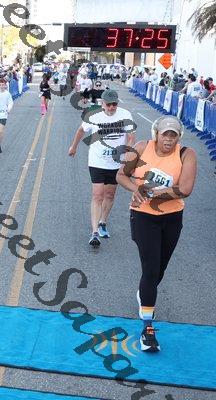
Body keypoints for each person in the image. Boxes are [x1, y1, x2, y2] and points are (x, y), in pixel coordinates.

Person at [116, 116, 196, 352]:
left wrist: (152, 192)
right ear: (156, 134)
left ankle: (144, 294)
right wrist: (136, 189)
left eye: (173, 135)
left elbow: (185, 189)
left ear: (179, 137)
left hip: (172, 218)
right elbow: (121, 175)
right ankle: (147, 328)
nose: (169, 140)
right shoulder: (142, 148)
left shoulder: (186, 154)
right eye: (165, 135)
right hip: (143, 216)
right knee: (150, 270)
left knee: (159, 269)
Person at [68, 89, 136, 247]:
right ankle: (94, 233)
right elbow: (81, 130)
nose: (112, 107)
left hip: (115, 163)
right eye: (108, 104)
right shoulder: (94, 116)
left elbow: (131, 136)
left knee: (110, 194)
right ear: (102, 103)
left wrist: (127, 152)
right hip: (97, 161)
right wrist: (73, 147)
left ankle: (102, 222)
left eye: (114, 104)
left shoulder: (125, 115)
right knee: (98, 195)